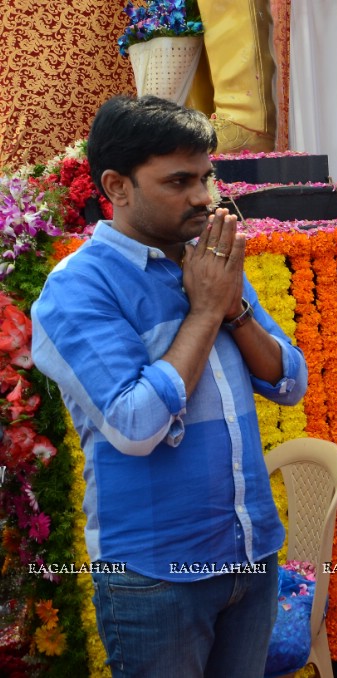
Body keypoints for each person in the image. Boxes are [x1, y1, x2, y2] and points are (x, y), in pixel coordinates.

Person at [30, 95, 308, 677]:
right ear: (118, 185)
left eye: (206, 177)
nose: (204, 197)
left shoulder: (208, 258)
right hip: (155, 576)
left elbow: (288, 381)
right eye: (179, 180)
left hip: (250, 552)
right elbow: (135, 425)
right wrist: (206, 313)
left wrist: (235, 312)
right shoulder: (77, 288)